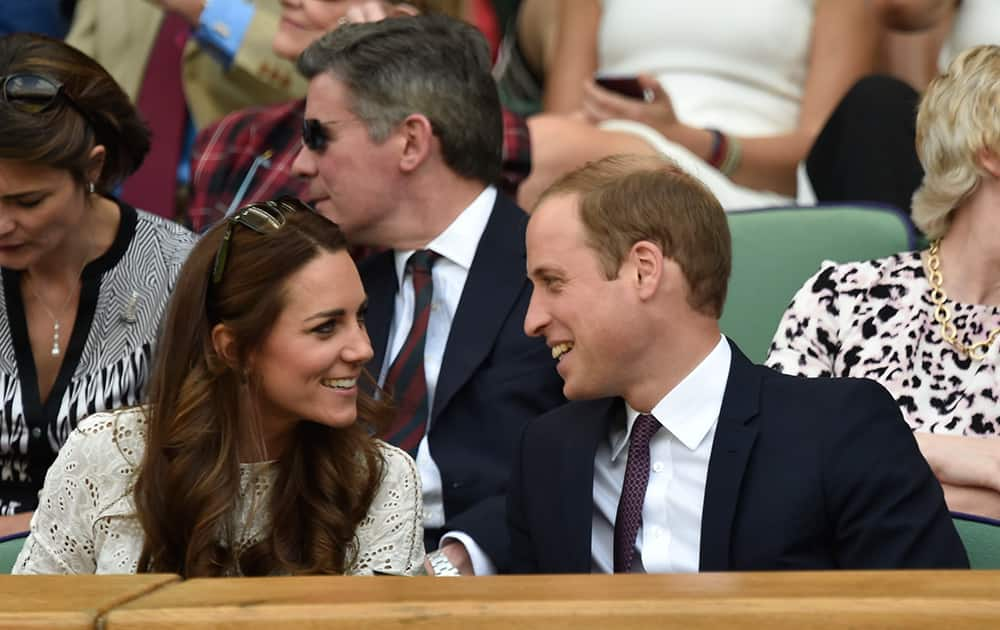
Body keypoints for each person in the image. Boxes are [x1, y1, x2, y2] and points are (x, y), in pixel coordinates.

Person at [508, 154, 968, 574]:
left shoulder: (839, 430)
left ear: (643, 270)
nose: (532, 320)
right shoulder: (548, 453)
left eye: (553, 282)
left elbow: (937, 616)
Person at [14, 199, 424, 576]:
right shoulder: (106, 455)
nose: (363, 349)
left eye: (361, 317)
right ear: (233, 348)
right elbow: (30, 616)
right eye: (326, 327)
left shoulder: (380, 479)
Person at [291, 14, 565, 575]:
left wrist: (459, 562)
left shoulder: (558, 275)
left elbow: (603, 458)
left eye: (320, 136)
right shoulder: (335, 286)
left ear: (411, 141)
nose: (300, 163)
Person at [768, 45, 1000, 519]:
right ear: (991, 152)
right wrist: (968, 460)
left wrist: (873, 468)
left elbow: (829, 481)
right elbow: (773, 474)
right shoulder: (840, 298)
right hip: (843, 591)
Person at [0, 34, 195, 537]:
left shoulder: (180, 271)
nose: (1, 224)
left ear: (93, 168)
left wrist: (31, 529)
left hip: (122, 553)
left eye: (27, 202)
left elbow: (202, 468)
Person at [187, 0, 527, 232]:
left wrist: (393, 82)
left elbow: (501, 142)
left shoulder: (433, 147)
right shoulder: (236, 137)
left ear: (397, 24)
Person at [517, 0, 879, 211]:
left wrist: (690, 140)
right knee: (532, 156)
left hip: (747, 182)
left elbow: (830, 153)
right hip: (603, 148)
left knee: (532, 156)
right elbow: (564, 114)